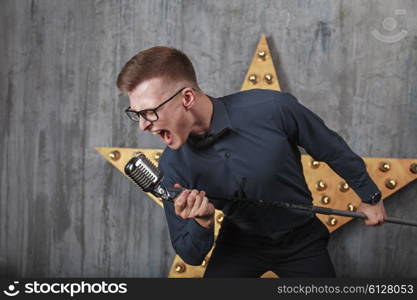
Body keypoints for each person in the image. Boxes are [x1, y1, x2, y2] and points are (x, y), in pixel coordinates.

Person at [116, 46, 387, 277]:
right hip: (239, 243)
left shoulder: (272, 108)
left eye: (149, 112)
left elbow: (331, 148)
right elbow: (190, 254)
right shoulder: (172, 167)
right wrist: (202, 222)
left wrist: (370, 196)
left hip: (302, 239)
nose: (142, 126)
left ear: (187, 98)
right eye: (136, 114)